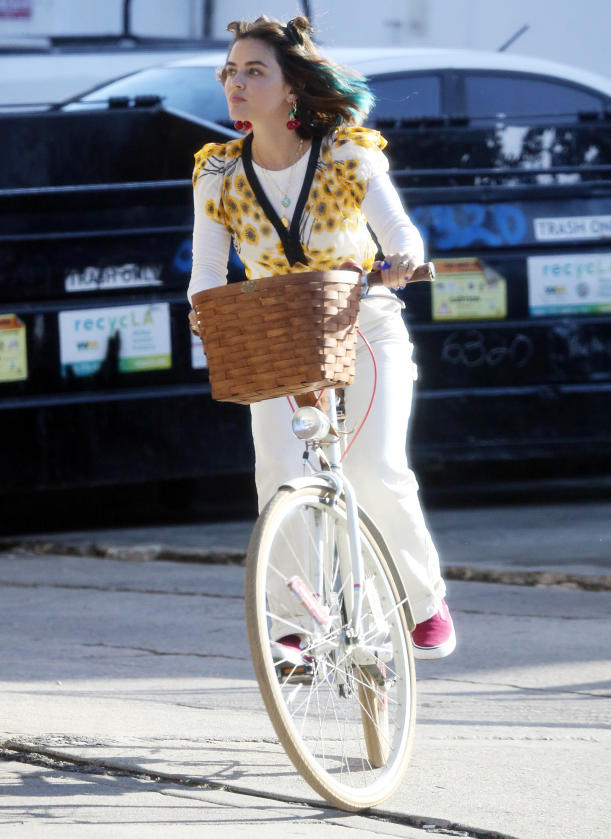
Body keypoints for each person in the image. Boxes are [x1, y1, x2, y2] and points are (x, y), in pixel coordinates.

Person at [188, 15, 455, 660]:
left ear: (291, 88)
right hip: (274, 339)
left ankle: (423, 602)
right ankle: (295, 623)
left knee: (374, 467)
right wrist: (204, 313)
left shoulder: (344, 153)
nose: (237, 82)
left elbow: (403, 235)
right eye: (230, 71)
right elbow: (204, 275)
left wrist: (403, 261)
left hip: (361, 323)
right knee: (280, 472)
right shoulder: (219, 174)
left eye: (255, 71)